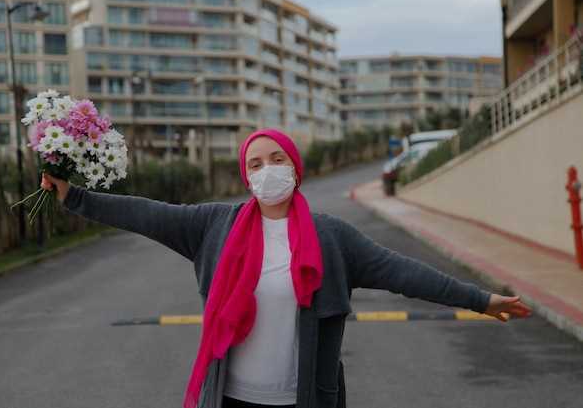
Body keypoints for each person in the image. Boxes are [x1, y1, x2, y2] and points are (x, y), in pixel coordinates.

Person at [41, 129, 532, 408]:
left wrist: (480, 299)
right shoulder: (213, 226)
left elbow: (403, 272)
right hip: (230, 399)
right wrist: (75, 196)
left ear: (295, 168)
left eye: (277, 159)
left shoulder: (332, 238)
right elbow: (145, 213)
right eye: (255, 163)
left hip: (306, 402)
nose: (266, 169)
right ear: (245, 174)